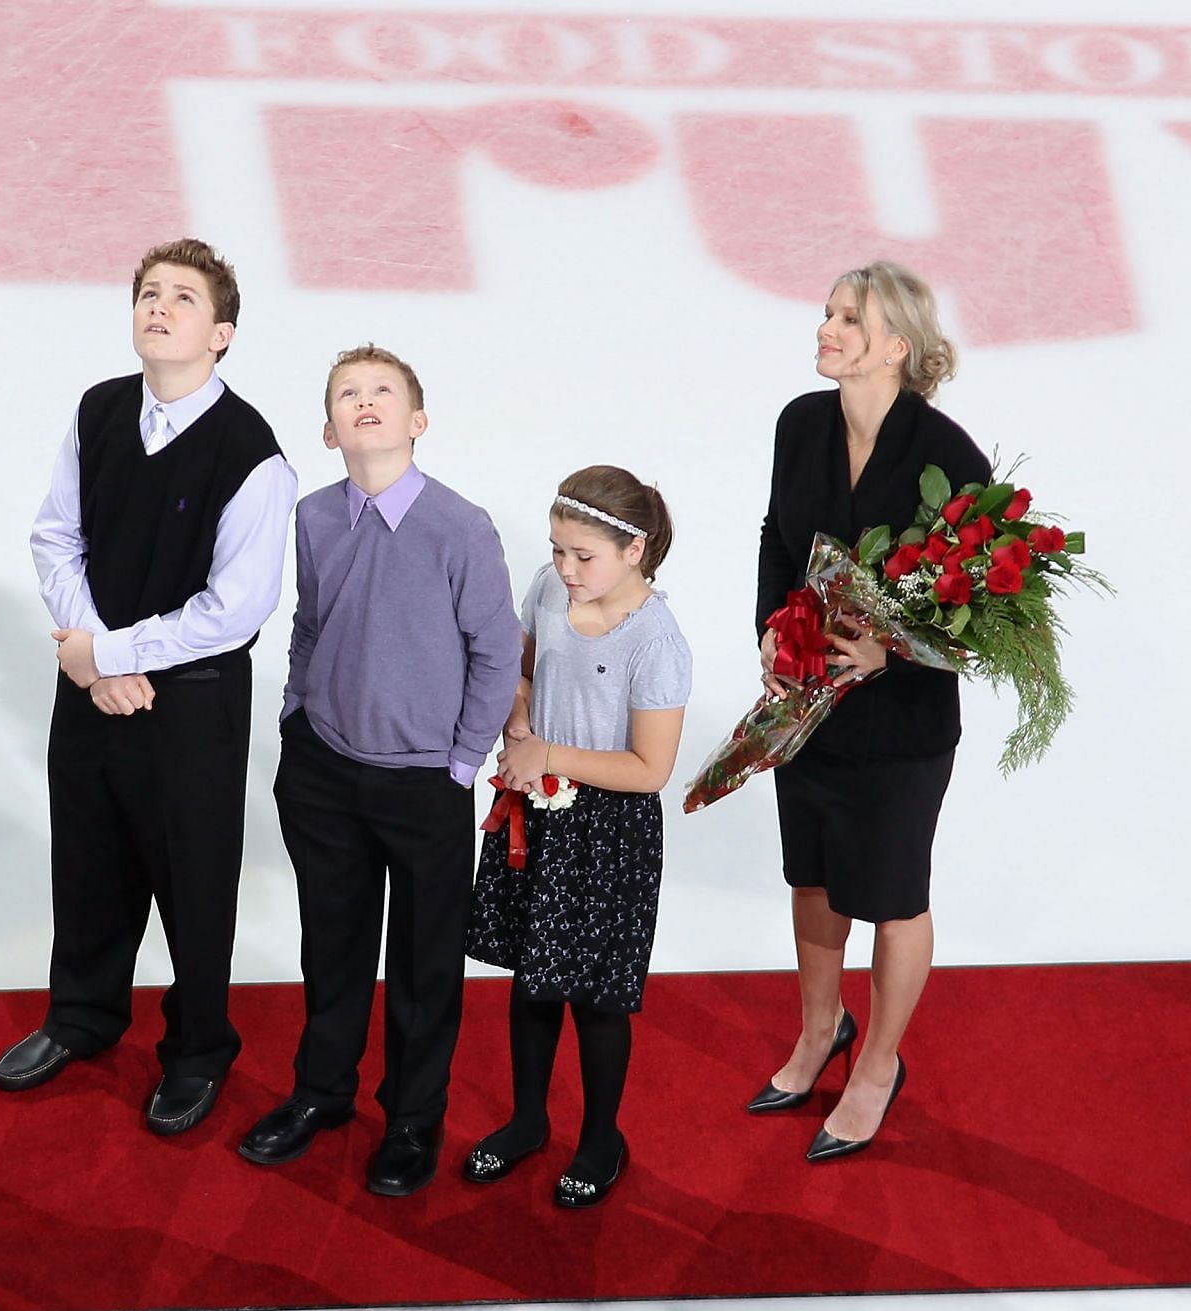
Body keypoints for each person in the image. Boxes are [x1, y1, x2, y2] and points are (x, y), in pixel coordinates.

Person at [0, 239, 296, 1137]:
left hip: (191, 703)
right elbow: (56, 539)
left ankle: (198, 1051)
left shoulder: (252, 453)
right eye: (148, 295)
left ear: (223, 332)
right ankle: (82, 1017)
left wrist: (112, 654)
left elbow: (236, 608)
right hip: (90, 689)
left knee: (193, 882)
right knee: (87, 862)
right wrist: (92, 659)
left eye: (183, 299)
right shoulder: (97, 413)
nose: (159, 308)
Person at [236, 346, 519, 1195]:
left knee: (425, 962)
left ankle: (412, 1118)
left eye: (383, 391)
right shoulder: (315, 517)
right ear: (329, 429)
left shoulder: (459, 526)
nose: (365, 403)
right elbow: (311, 622)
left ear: (416, 421)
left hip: (424, 780)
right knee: (333, 944)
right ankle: (321, 1092)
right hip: (324, 770)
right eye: (347, 395)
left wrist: (463, 760)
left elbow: (496, 647)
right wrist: (296, 712)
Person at [746, 261, 988, 1161]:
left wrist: (893, 650)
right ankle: (821, 1030)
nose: (828, 326)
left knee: (890, 895)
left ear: (897, 345)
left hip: (902, 721)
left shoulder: (949, 454)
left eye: (850, 317)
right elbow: (775, 536)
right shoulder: (799, 424)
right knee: (810, 877)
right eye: (828, 312)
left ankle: (879, 1064)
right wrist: (771, 632)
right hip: (809, 700)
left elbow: (980, 611)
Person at [462, 466, 690, 1208]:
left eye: (582, 556)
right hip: (539, 807)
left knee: (596, 997)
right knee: (533, 981)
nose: (565, 569)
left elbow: (650, 768)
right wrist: (519, 716)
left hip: (609, 831)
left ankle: (600, 1138)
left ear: (637, 549)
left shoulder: (656, 642)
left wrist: (549, 756)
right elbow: (521, 672)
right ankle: (528, 1119)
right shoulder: (550, 591)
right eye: (559, 550)